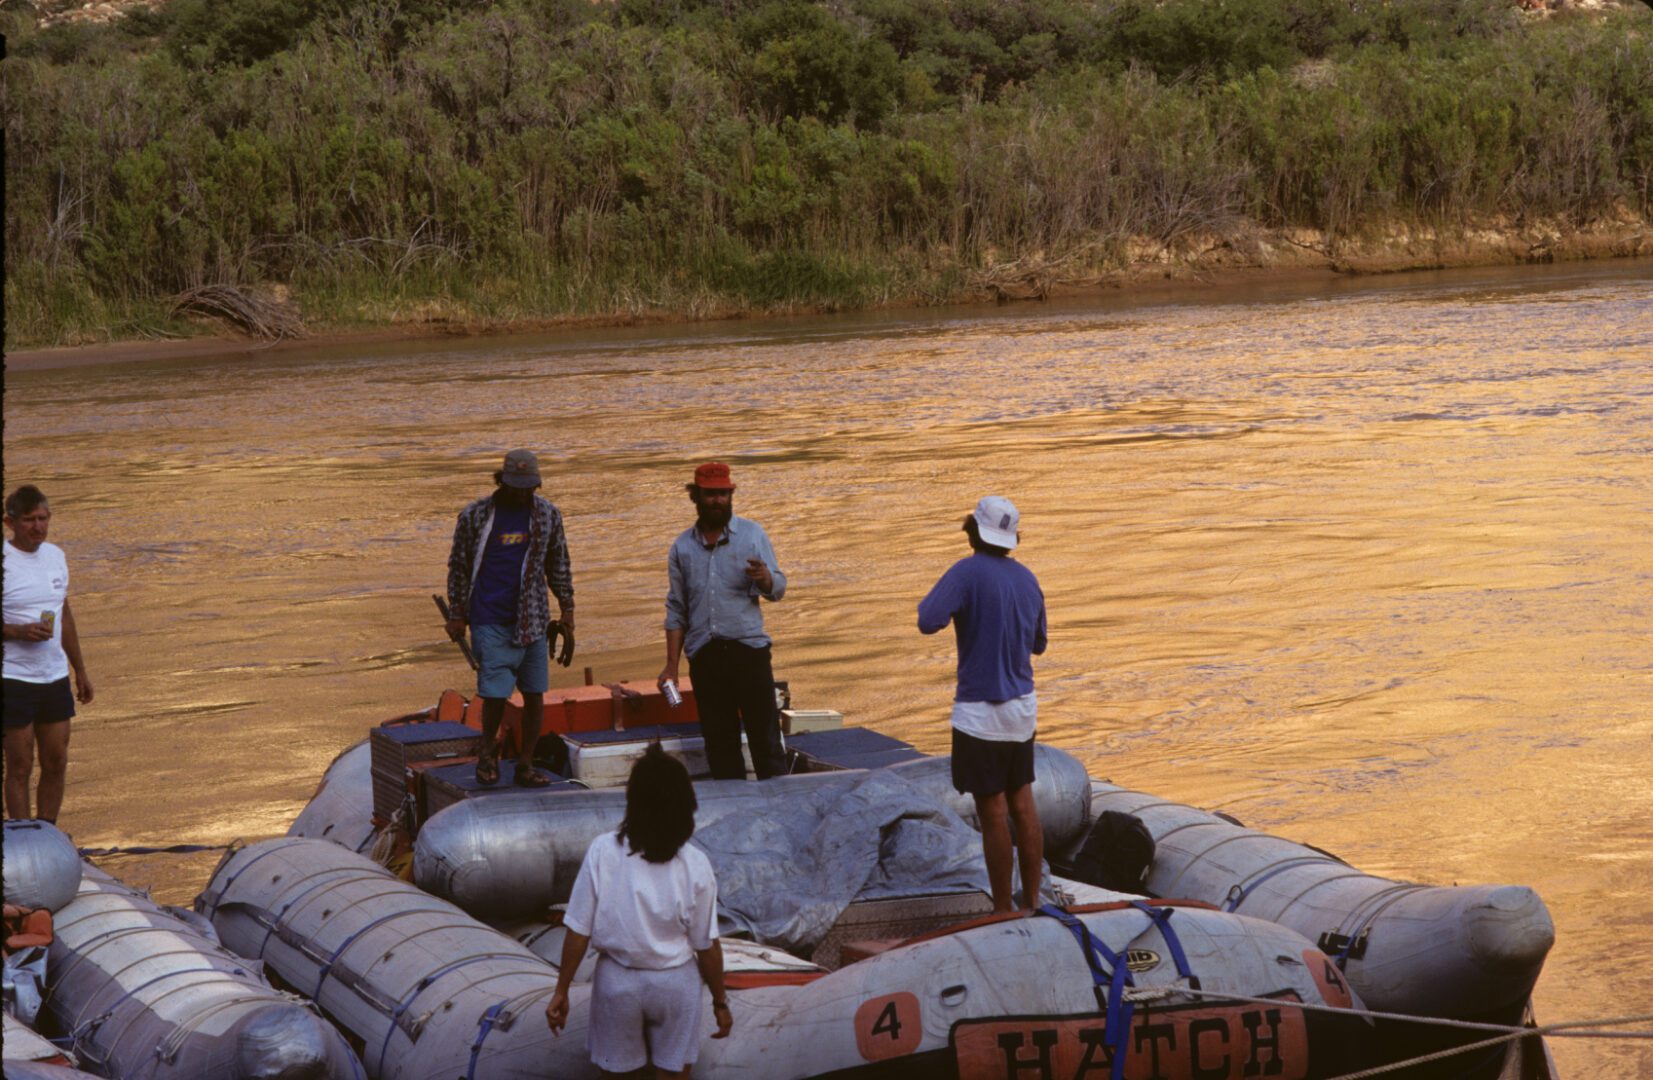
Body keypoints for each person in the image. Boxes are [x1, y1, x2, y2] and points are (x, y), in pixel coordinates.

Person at [546, 743, 732, 1077]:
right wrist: (720, 1002)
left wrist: (561, 990)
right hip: (677, 985)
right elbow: (707, 945)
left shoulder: (603, 851)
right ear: (684, 806)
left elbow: (578, 931)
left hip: (617, 984)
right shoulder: (696, 863)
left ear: (633, 803)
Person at [917, 495, 1048, 913]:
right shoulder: (1028, 580)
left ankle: (1002, 910)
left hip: (980, 711)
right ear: (1012, 538)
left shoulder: (966, 572)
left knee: (992, 810)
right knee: (1022, 803)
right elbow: (1039, 644)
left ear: (972, 530)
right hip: (1022, 709)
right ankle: (1031, 900)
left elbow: (927, 620)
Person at [445, 449, 574, 788]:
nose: (521, 493)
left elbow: (558, 562)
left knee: (535, 693)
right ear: (500, 481)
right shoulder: (474, 516)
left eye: (528, 487)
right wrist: (457, 613)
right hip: (489, 617)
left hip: (532, 617)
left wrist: (568, 608)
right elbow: (458, 567)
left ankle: (526, 765)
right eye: (515, 486)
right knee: (495, 692)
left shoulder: (548, 516)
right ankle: (487, 754)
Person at [658, 462, 786, 780]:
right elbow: (676, 610)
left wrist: (765, 577)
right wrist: (671, 666)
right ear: (696, 497)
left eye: (722, 494)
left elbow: (778, 589)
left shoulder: (752, 534)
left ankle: (784, 808)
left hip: (749, 651)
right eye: (710, 495)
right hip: (705, 655)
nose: (717, 501)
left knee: (766, 740)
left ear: (730, 496)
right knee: (719, 743)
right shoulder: (682, 547)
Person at [4, 486, 93, 825]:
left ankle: (48, 831)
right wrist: (16, 631)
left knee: (56, 761)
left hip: (53, 676)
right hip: (13, 677)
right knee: (20, 765)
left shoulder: (55, 556)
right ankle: (24, 836)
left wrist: (80, 670)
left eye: (43, 519)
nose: (38, 527)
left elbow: (64, 614)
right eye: (29, 520)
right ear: (10, 523)